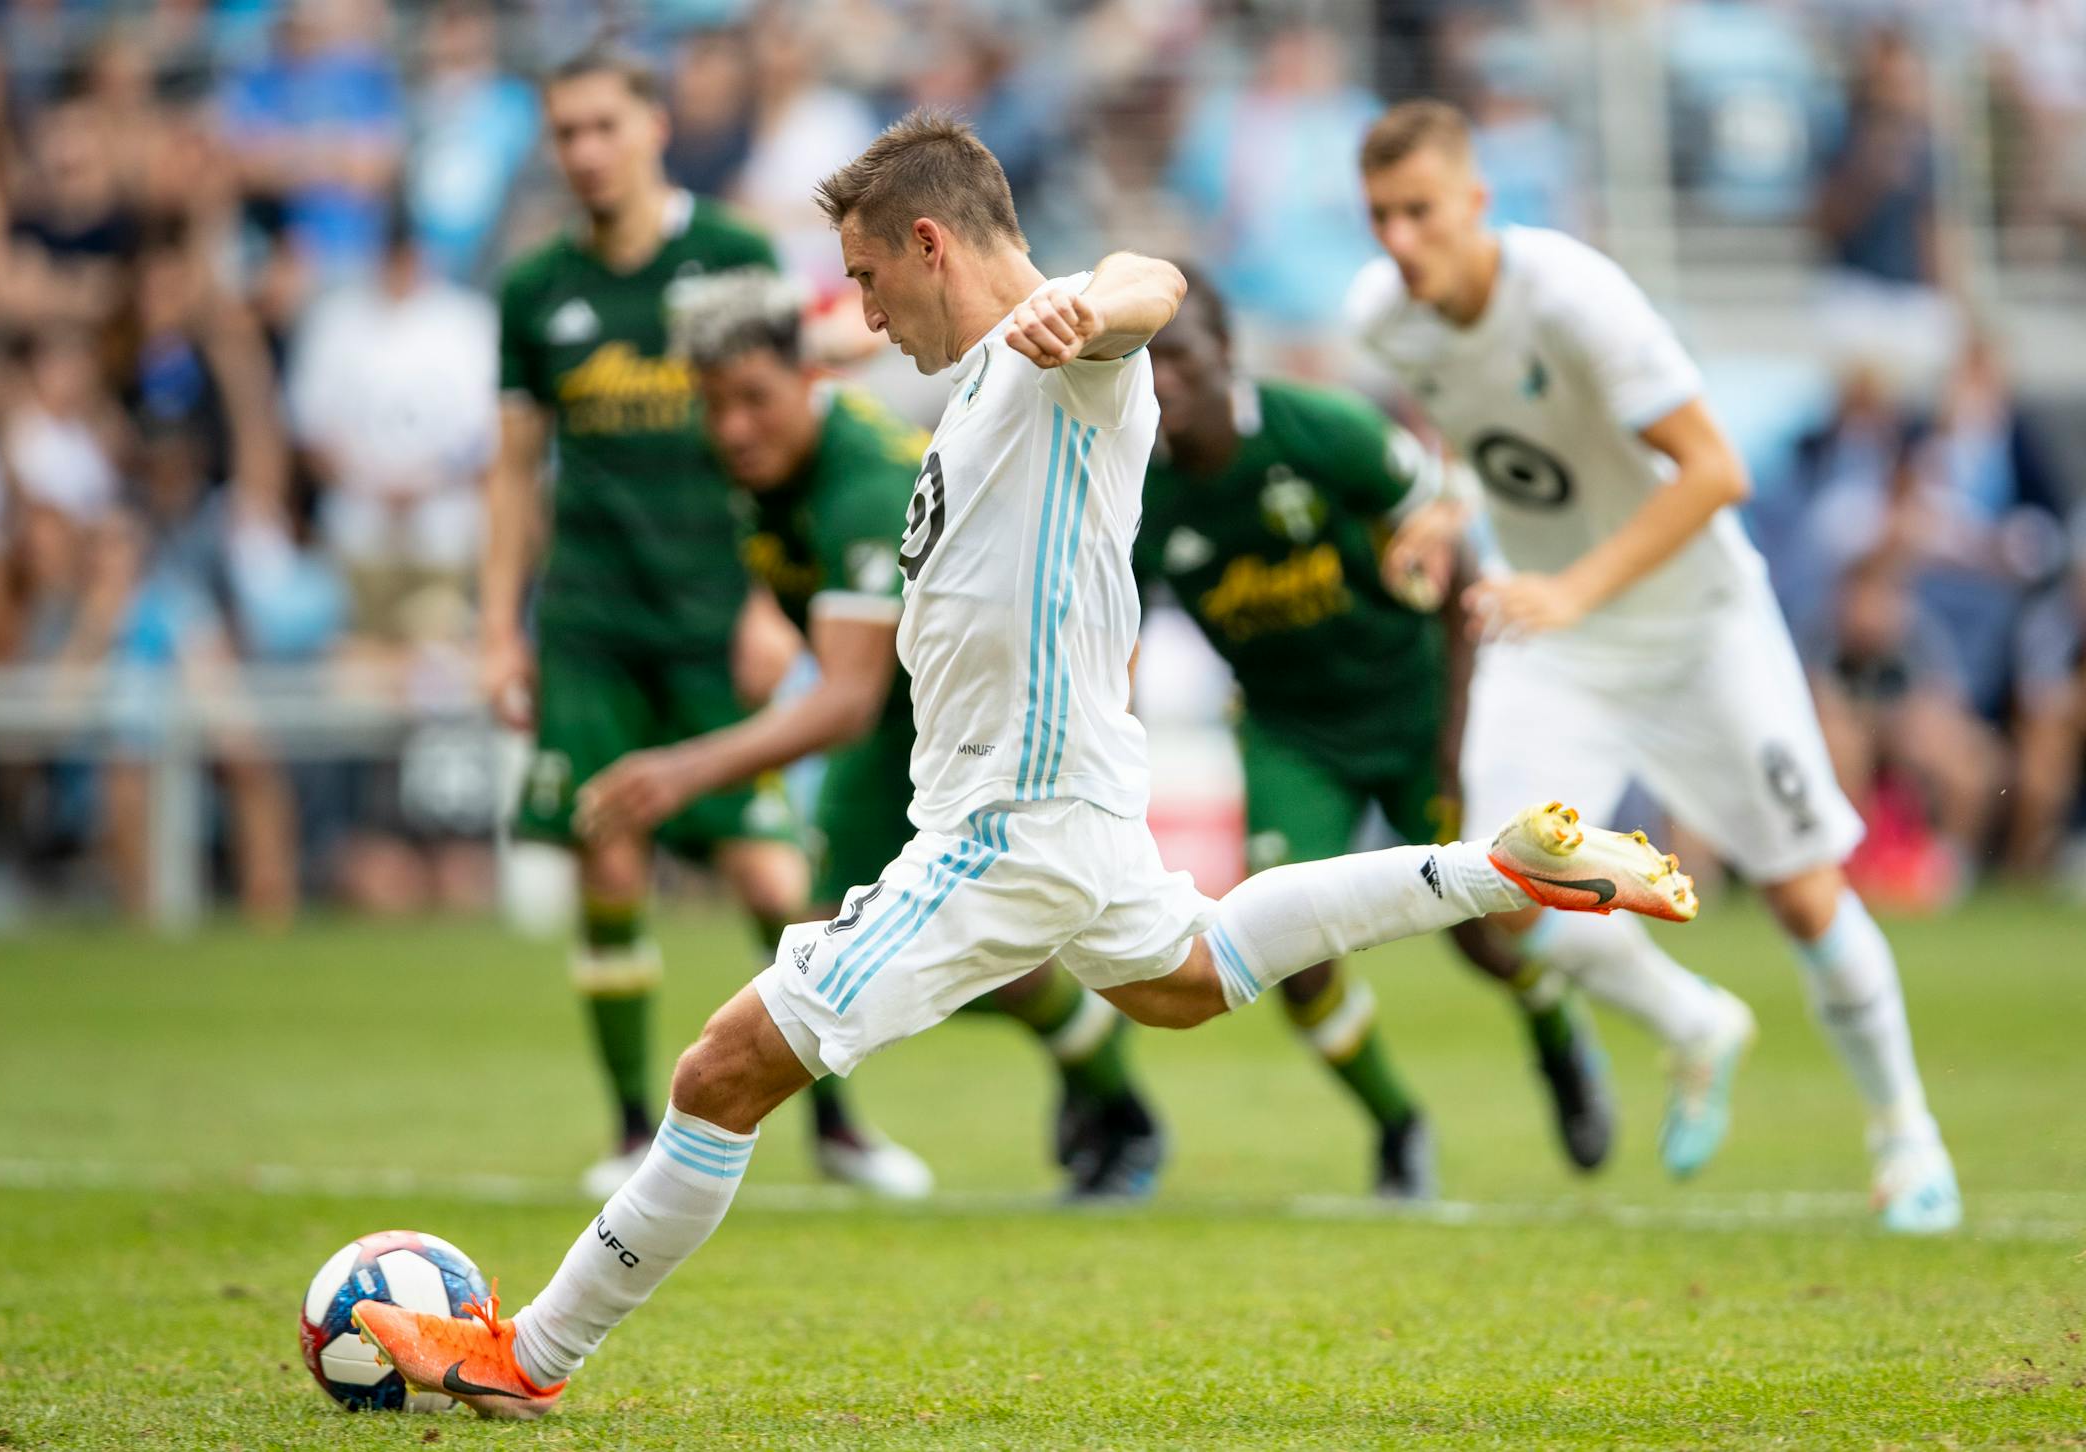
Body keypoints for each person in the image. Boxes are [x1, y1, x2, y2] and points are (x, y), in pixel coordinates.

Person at [352, 106, 1703, 1419]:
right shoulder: (985, 375)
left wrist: (1094, 307)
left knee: (718, 1072)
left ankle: (530, 1352)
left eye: (873, 279)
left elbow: (1150, 281)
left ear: (935, 243)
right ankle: (1502, 868)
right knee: (1189, 977)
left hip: (1011, 821)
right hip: (1071, 807)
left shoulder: (1061, 355)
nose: (867, 314)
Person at [1351, 100, 1959, 1233]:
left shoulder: (1575, 298)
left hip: (1692, 623)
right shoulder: (1384, 318)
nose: (1399, 239)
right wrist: (1447, 512)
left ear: (1479, 203)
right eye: (1381, 216)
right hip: (1556, 637)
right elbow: (1491, 447)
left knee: (1802, 894)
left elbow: (1715, 471)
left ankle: (1905, 1138)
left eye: (1421, 212)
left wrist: (1577, 586)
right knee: (1507, 894)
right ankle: (1693, 1026)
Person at [577, 267, 1166, 1199]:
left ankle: (1113, 1100)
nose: (734, 428)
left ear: (808, 381)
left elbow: (846, 698)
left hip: (969, 725)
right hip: (911, 718)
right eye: (714, 406)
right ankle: (907, 1121)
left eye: (755, 401)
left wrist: (681, 772)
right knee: (839, 942)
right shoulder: (769, 473)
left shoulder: (859, 483)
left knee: (940, 954)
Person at [482, 50, 922, 1200]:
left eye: (601, 126)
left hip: (711, 612)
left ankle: (843, 1129)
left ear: (652, 127)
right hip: (590, 618)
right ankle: (633, 1130)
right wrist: (497, 628)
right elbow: (516, 470)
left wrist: (765, 605)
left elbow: (790, 402)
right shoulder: (535, 291)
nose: (583, 150)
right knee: (607, 851)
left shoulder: (726, 257)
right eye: (563, 131)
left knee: (776, 883)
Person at [1138, 268, 1613, 1194]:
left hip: (1414, 710)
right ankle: (1399, 1124)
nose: (1161, 384)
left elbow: (1457, 553)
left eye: (1181, 358)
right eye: (1145, 362)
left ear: (1225, 357)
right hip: (1290, 733)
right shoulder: (1137, 493)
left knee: (1483, 933)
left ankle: (1555, 1030)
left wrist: (1455, 740)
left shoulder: (1325, 433)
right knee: (1287, 953)